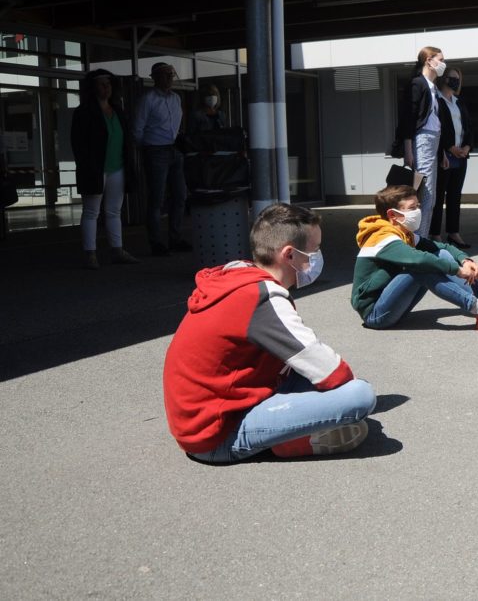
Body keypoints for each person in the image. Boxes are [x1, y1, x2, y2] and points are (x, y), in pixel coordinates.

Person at [163, 203, 377, 463]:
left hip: (206, 415)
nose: (317, 258)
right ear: (289, 254)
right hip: (216, 436)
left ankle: (286, 431)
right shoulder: (262, 298)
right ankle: (286, 441)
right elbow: (333, 373)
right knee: (359, 395)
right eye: (315, 250)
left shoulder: (239, 277)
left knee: (314, 380)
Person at [351, 185, 478, 332]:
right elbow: (418, 260)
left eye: (418, 206)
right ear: (392, 215)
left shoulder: (403, 233)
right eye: (412, 208)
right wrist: (457, 270)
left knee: (441, 255)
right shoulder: (381, 238)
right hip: (376, 315)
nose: (418, 211)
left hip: (391, 305)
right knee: (421, 267)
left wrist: (465, 260)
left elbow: (441, 247)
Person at [70, 69, 139, 269]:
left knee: (113, 211)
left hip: (117, 167)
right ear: (92, 88)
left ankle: (117, 250)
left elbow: (126, 140)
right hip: (94, 169)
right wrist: (86, 166)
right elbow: (78, 144)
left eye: (108, 84)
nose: (106, 88)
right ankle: (90, 254)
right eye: (101, 84)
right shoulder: (83, 112)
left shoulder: (118, 111)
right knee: (91, 211)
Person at [132, 61, 190, 256]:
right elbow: (137, 128)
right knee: (157, 197)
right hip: (155, 150)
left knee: (180, 195)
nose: (169, 78)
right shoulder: (148, 99)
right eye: (165, 75)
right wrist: (148, 146)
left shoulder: (176, 98)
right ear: (155, 77)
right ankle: (156, 242)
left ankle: (175, 238)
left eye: (171, 75)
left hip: (174, 149)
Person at [399, 46, 447, 238]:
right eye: (440, 59)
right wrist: (408, 149)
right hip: (423, 139)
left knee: (431, 197)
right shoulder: (418, 84)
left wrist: (441, 152)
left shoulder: (432, 86)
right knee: (424, 194)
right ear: (428, 60)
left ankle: (422, 238)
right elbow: (408, 118)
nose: (443, 64)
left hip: (433, 140)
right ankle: (419, 240)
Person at [431, 68, 472, 249]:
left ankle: (453, 232)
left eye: (458, 78)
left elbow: (469, 127)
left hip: (461, 155)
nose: (455, 81)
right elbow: (438, 128)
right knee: (439, 196)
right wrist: (449, 147)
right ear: (443, 78)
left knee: (455, 196)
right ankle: (435, 233)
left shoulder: (459, 102)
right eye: (452, 78)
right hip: (444, 155)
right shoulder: (436, 100)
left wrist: (467, 147)